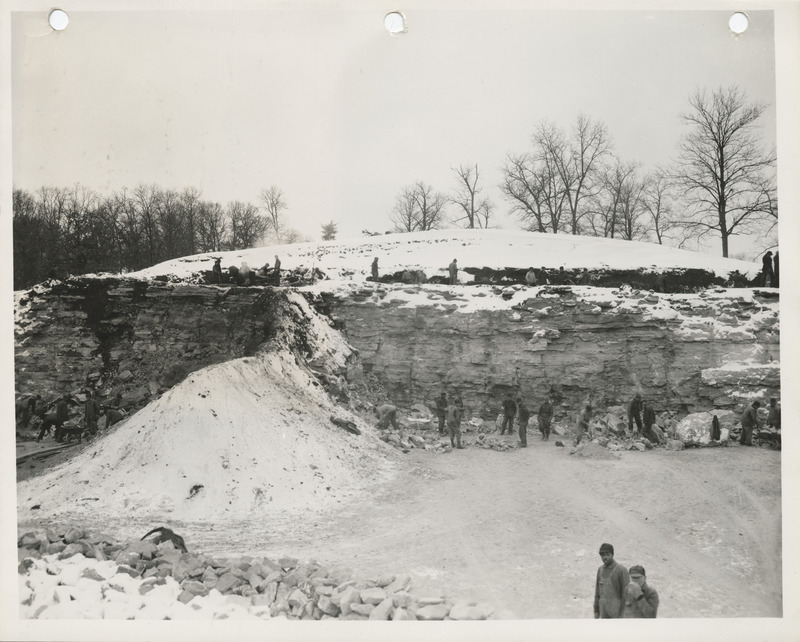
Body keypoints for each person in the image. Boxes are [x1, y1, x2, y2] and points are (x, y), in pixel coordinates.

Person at [594, 543, 630, 619]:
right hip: (603, 613)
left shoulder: (621, 570)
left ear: (612, 554)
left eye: (607, 554)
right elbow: (597, 593)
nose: (605, 557)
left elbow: (627, 596)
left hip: (617, 614)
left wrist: (623, 616)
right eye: (602, 555)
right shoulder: (600, 570)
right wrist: (596, 611)